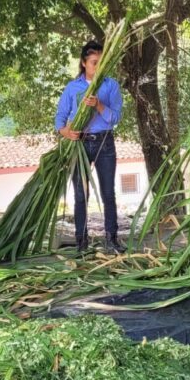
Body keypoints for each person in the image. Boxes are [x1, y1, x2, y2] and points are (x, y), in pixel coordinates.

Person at [56, 40, 125, 254]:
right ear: (84, 63)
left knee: (108, 193)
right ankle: (81, 242)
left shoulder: (110, 85)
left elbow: (115, 118)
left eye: (101, 62)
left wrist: (99, 105)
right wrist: (67, 132)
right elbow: (59, 118)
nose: (98, 66)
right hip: (80, 145)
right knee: (80, 194)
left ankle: (112, 239)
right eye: (94, 62)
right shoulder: (72, 87)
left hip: (105, 143)